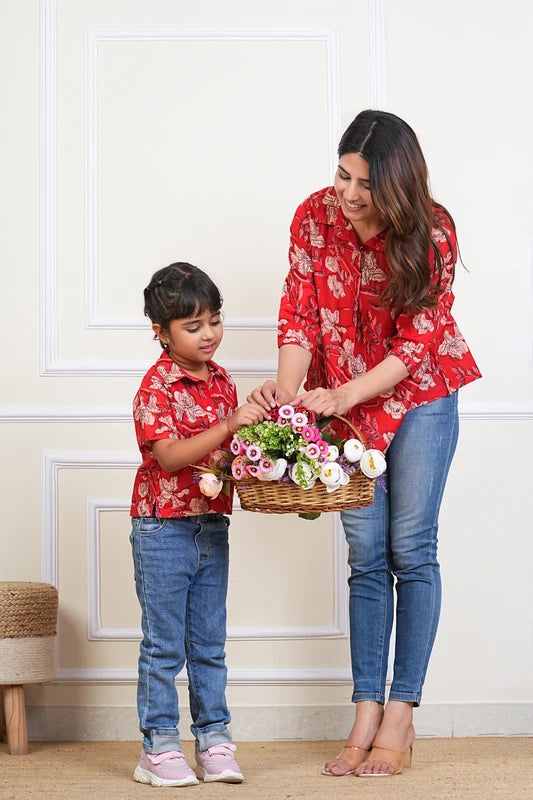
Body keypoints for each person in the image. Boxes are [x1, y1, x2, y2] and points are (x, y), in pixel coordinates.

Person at [249, 110, 481, 777]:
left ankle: (400, 712)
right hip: (338, 405)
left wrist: (345, 396)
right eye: (341, 174)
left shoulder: (430, 227)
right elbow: (298, 316)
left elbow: (419, 342)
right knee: (363, 556)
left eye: (365, 184)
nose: (348, 194)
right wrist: (293, 402)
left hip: (419, 395)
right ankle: (363, 710)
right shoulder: (313, 217)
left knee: (411, 550)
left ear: (398, 185)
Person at [130, 262, 267, 787]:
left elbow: (229, 450)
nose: (208, 333)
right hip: (162, 528)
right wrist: (228, 424)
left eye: (214, 320)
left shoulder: (224, 380)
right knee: (164, 646)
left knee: (209, 643)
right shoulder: (156, 387)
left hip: (211, 525)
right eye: (193, 326)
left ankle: (213, 741)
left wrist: (256, 417)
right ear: (161, 333)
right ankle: (159, 748)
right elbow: (168, 458)